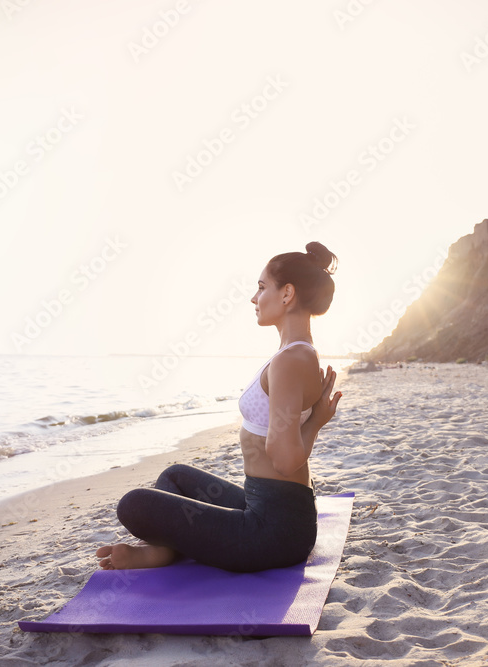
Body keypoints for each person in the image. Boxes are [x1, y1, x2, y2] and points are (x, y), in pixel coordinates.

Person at [95, 242, 344, 573]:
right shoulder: (293, 353)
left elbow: (284, 460)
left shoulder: (292, 360)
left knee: (133, 505)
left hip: (274, 532)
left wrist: (316, 424)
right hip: (264, 504)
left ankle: (164, 552)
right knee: (175, 476)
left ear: (287, 294)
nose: (254, 298)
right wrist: (315, 421)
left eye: (261, 287)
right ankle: (164, 550)